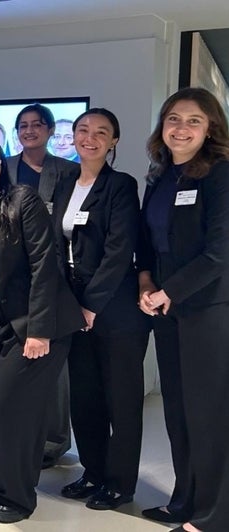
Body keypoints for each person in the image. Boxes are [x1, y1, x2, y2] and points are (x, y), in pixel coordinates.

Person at [0, 136, 83, 523]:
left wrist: (39, 330)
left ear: (0, 167)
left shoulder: (23, 200)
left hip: (34, 325)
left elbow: (45, 264)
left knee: (13, 408)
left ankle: (17, 496)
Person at [137, 87, 229, 532]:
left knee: (209, 413)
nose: (182, 128)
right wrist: (147, 282)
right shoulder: (160, 175)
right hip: (167, 310)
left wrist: (170, 290)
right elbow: (151, 243)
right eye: (174, 118)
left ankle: (214, 515)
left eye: (194, 120)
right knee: (178, 410)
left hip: (208, 310)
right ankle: (185, 500)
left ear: (210, 127)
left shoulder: (221, 174)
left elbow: (220, 252)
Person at [52, 108, 150, 510]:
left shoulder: (121, 185)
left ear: (114, 142)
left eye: (101, 132)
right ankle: (92, 472)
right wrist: (66, 303)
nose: (89, 138)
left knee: (121, 400)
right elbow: (57, 247)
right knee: (85, 398)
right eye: (82, 130)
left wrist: (90, 305)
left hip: (116, 308)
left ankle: (120, 483)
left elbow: (118, 250)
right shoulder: (64, 183)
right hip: (73, 306)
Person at [6, 103, 79, 468]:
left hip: (54, 274)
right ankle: (20, 433)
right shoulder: (4, 169)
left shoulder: (69, 171)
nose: (30, 130)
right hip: (10, 276)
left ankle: (54, 440)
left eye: (37, 125)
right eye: (23, 125)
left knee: (53, 364)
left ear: (50, 131)